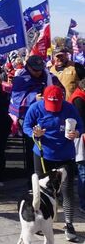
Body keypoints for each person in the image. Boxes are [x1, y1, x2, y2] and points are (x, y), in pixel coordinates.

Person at [24, 85, 82, 242]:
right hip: (43, 154)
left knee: (66, 190)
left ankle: (69, 224)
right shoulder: (36, 108)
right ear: (44, 99)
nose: (54, 110)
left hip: (65, 155)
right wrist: (34, 133)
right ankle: (44, 222)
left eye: (57, 106)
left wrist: (77, 133)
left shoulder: (69, 108)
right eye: (51, 106)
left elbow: (81, 126)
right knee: (42, 191)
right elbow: (26, 126)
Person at [10, 55, 60, 178]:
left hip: (48, 118)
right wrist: (34, 99)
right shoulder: (20, 79)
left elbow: (59, 89)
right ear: (28, 67)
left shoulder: (48, 76)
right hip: (29, 119)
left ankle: (51, 177)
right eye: (35, 70)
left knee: (50, 146)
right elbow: (16, 99)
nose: (38, 72)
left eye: (40, 69)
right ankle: (33, 179)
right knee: (33, 149)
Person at [70, 79, 85, 214]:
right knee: (83, 172)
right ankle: (83, 204)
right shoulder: (78, 99)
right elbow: (81, 121)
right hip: (81, 140)